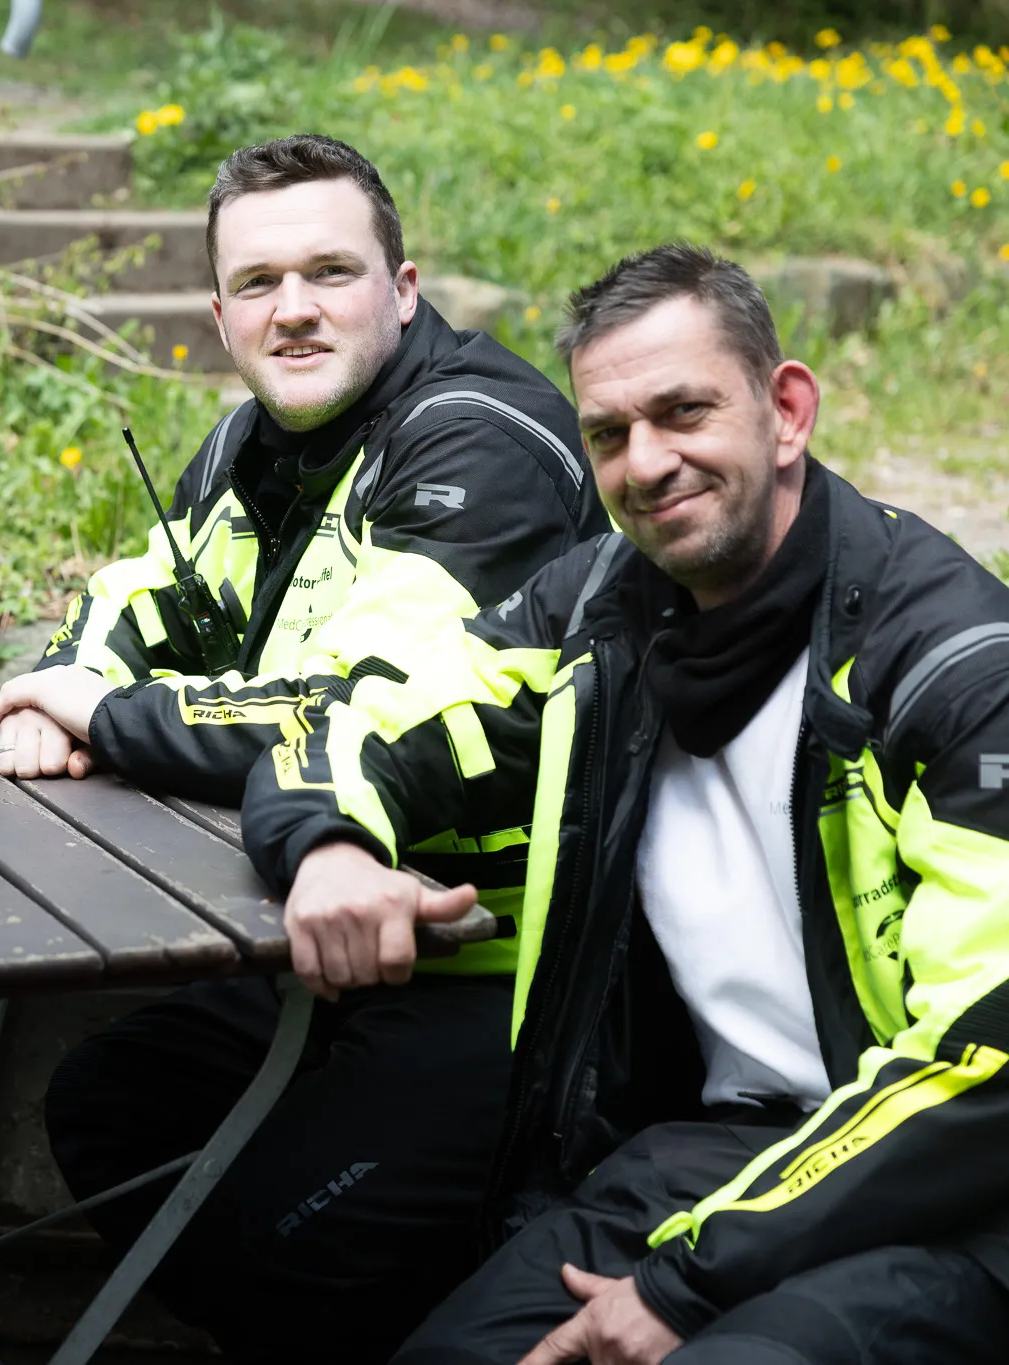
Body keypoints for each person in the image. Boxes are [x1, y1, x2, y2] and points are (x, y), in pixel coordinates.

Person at [244, 242, 1009, 1364]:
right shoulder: (601, 611)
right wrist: (327, 846)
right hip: (718, 1144)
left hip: (941, 1188)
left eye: (682, 412)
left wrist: (691, 1282)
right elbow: (348, 721)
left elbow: (986, 1053)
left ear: (785, 409)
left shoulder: (947, 662)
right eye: (607, 433)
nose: (645, 462)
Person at [0, 134, 608, 1362]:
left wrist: (100, 718)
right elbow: (127, 598)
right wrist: (63, 685)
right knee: (107, 1109)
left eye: (330, 273)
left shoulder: (478, 443)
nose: (295, 311)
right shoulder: (249, 445)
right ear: (219, 317)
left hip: (500, 970)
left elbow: (356, 701)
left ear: (403, 288)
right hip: (314, 937)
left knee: (282, 1233)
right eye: (260, 284)